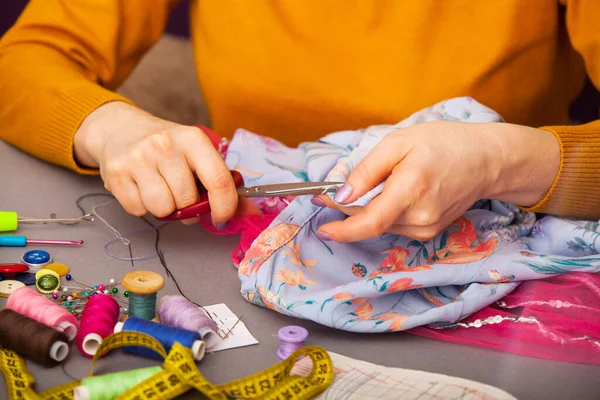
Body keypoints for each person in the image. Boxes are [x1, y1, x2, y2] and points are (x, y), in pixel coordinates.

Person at [0, 1, 599, 244]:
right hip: (246, 244)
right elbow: (24, 60)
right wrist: (111, 127)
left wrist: (502, 161)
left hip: (514, 236)